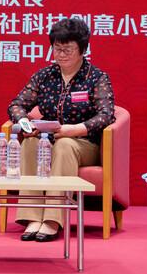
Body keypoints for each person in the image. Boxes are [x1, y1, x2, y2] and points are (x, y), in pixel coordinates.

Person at [7, 17, 116, 242]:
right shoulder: (45, 76)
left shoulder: (96, 77)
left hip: (83, 143)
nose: (61, 55)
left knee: (64, 145)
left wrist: (74, 130)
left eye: (68, 49)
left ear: (83, 50)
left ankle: (53, 219)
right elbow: (16, 105)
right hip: (48, 138)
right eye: (57, 49)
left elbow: (106, 115)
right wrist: (26, 125)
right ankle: (32, 216)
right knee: (30, 142)